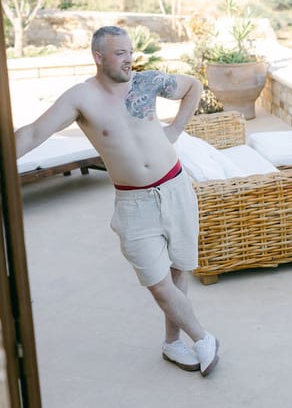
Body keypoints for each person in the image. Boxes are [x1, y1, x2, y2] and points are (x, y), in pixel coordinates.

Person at [14, 26, 220, 376]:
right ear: (98, 57)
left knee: (178, 272)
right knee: (158, 284)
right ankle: (203, 337)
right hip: (134, 203)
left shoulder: (147, 82)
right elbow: (33, 132)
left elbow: (193, 87)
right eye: (120, 53)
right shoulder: (81, 98)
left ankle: (173, 343)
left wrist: (175, 130)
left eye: (130, 52)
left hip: (175, 187)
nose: (129, 59)